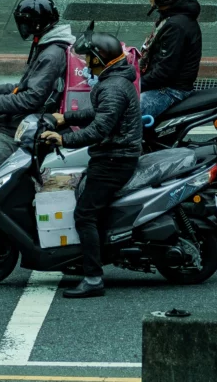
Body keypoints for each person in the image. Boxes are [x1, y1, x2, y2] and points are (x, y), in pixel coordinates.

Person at [41, 31, 142, 298]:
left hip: (114, 160)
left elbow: (99, 128)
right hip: (113, 155)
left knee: (85, 214)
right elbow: (99, 113)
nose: (85, 63)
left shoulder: (112, 87)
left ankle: (93, 278)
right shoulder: (115, 81)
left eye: (88, 57)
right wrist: (65, 117)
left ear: (99, 59)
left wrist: (63, 139)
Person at [0, 0, 75, 190]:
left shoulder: (51, 54)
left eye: (25, 22)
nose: (22, 27)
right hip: (24, 120)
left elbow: (31, 99)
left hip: (21, 127)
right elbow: (26, 85)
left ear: (37, 24)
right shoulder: (46, 45)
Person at [132, 0, 202, 118]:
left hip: (170, 91)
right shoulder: (172, 16)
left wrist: (134, 84)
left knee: (126, 114)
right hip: (163, 85)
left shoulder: (176, 26)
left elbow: (163, 72)